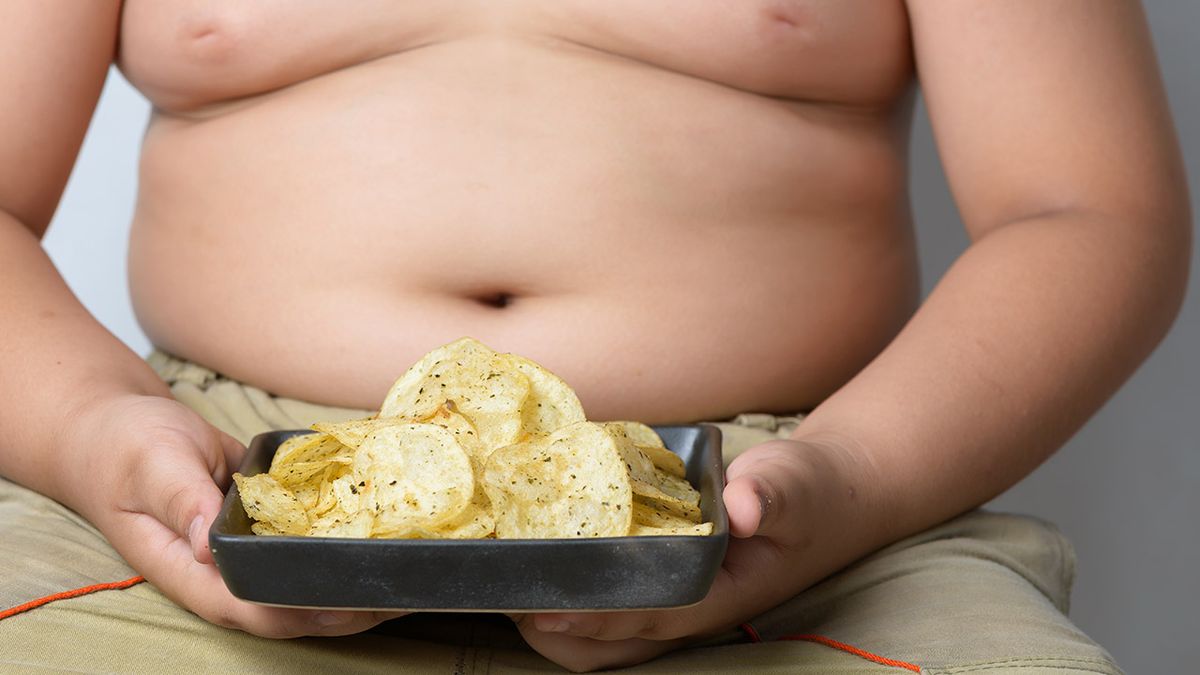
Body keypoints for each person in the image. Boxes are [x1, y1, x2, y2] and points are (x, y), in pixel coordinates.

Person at [0, 1, 1188, 672]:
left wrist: (851, 480)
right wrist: (98, 431)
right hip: (207, 498)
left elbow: (1086, 211)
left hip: (798, 509)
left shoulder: (827, 496)